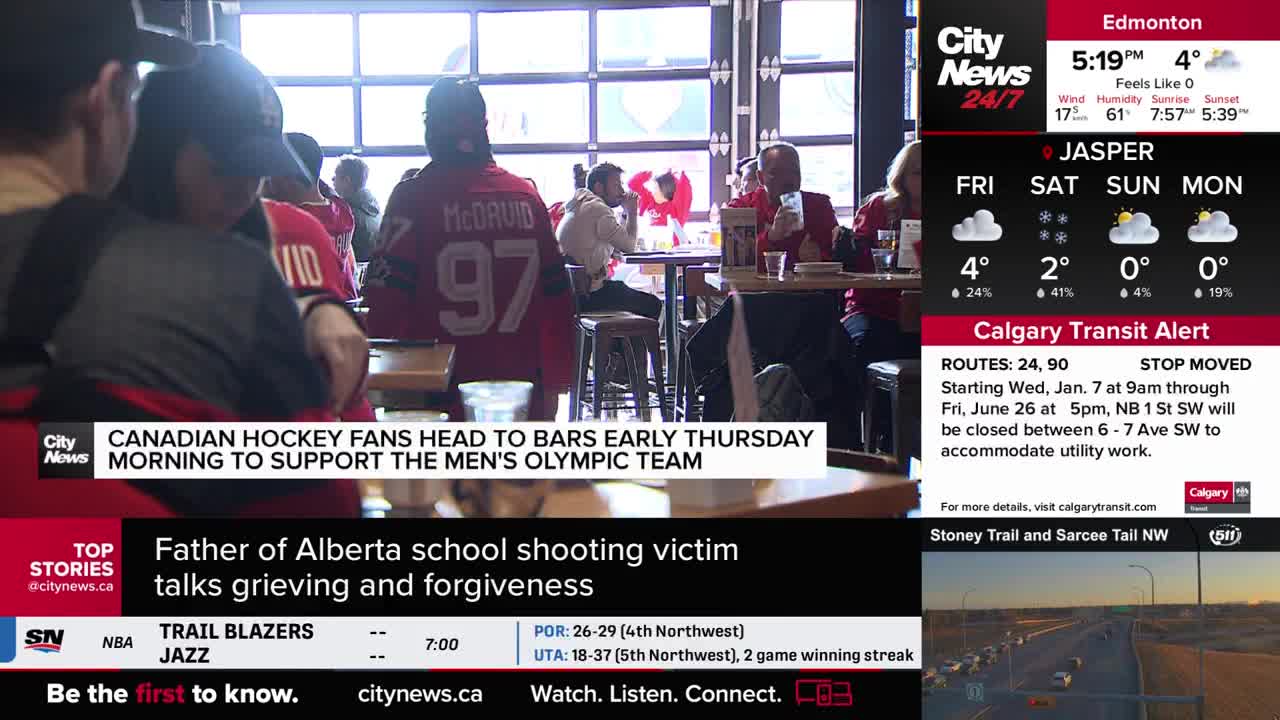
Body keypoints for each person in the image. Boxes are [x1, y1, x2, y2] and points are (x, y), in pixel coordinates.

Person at [0, 6, 358, 517]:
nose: (243, 192)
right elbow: (320, 522)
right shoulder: (221, 286)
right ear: (109, 97)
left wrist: (305, 307)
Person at [364, 78, 575, 421]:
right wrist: (553, 386)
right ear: (484, 127)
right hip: (521, 394)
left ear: (430, 127)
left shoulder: (411, 199)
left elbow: (382, 307)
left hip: (436, 399)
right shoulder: (527, 196)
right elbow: (557, 300)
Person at [834, 140, 922, 446]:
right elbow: (855, 261)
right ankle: (871, 436)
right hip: (873, 307)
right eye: (917, 173)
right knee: (871, 343)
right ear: (902, 176)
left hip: (921, 312)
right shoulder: (880, 209)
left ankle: (912, 438)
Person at [557, 163, 660, 322]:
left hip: (571, 296)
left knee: (619, 289)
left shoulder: (580, 205)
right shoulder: (598, 210)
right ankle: (629, 346)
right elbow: (629, 247)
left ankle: (620, 346)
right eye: (616, 185)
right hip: (590, 297)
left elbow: (618, 241)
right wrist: (632, 212)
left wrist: (625, 215)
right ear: (599, 187)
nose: (622, 191)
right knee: (653, 304)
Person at [265, 132, 359, 300]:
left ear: (287, 177)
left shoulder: (294, 223)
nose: (268, 180)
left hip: (312, 313)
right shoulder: (344, 211)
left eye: (271, 172)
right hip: (344, 305)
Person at [727, 142, 834, 272]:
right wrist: (771, 236)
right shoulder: (741, 207)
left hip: (809, 290)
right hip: (755, 292)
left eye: (794, 172)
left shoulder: (819, 206)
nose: (788, 180)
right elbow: (736, 263)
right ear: (761, 178)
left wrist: (820, 258)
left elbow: (839, 257)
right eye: (777, 173)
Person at [333, 155, 382, 264]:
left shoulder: (346, 213)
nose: (332, 180)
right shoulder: (374, 208)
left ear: (346, 180)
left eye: (335, 176)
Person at [628, 167, 692, 246]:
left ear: (665, 190)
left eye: (656, 188)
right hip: (650, 249)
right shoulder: (648, 199)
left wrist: (680, 172)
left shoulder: (675, 208)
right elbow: (632, 184)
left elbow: (684, 191)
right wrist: (649, 173)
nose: (653, 191)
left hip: (672, 252)